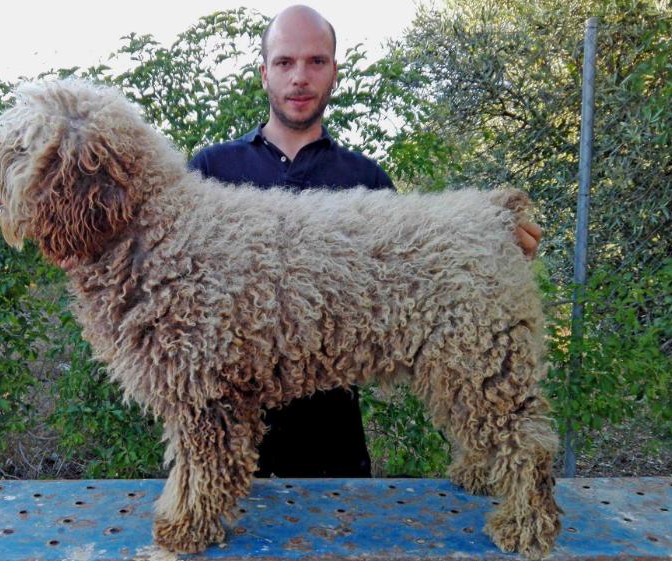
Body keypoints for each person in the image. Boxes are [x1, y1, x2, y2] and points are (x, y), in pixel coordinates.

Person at [188, 5, 541, 478]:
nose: (300, 78)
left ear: (335, 71)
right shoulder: (209, 173)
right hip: (225, 448)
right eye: (285, 62)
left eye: (316, 62)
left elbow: (429, 269)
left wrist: (488, 242)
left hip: (333, 447)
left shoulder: (364, 179)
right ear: (264, 73)